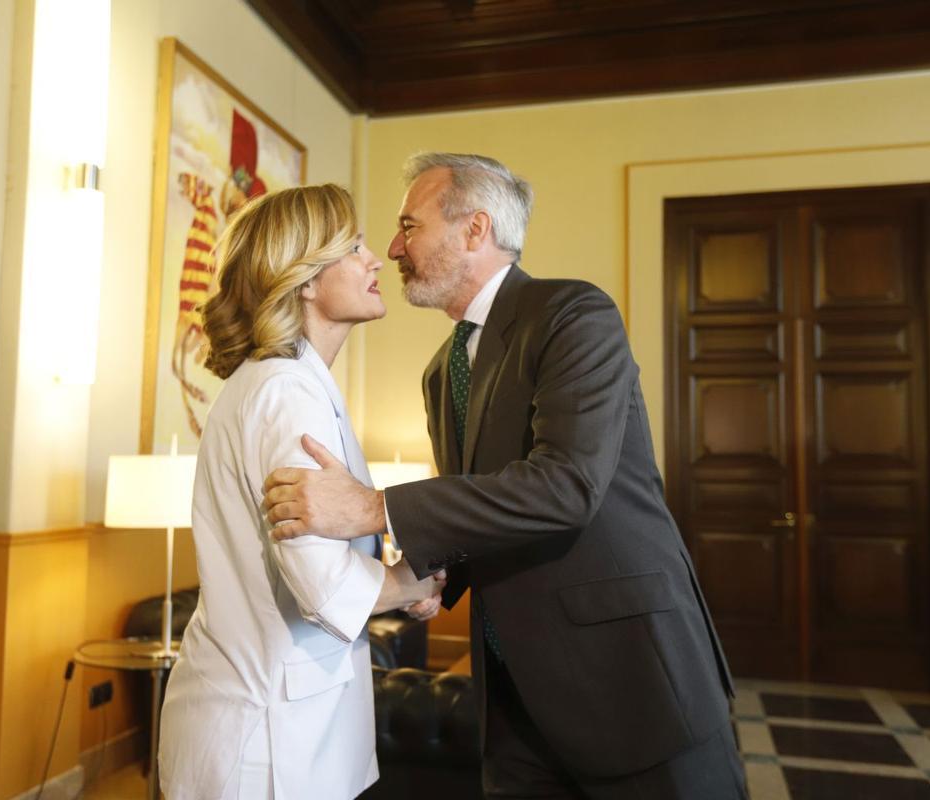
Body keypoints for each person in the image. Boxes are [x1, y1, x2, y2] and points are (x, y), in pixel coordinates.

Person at [263, 154, 746, 798]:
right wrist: (434, 577)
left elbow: (566, 488)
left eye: (409, 226)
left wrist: (374, 508)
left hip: (632, 682)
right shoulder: (441, 371)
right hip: (513, 702)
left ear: (475, 229)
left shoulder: (573, 314)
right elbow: (485, 511)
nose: (394, 248)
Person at [158, 184, 445, 800]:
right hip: (263, 741)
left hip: (273, 722)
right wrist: (409, 585)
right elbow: (322, 585)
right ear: (306, 279)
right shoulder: (286, 392)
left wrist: (397, 580)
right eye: (354, 248)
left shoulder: (287, 384)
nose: (375, 259)